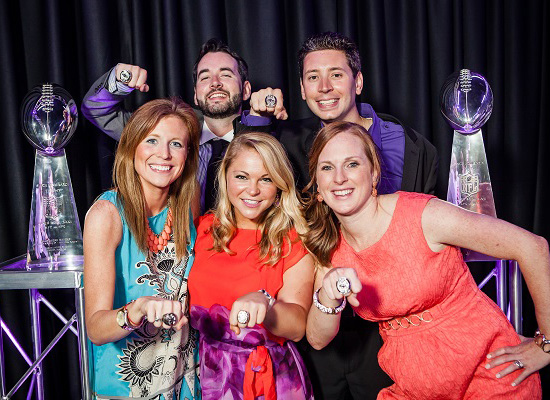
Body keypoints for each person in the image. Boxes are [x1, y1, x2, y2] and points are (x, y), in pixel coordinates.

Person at [304, 121, 548, 399]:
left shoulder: (422, 215)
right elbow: (317, 338)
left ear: (373, 175)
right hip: (414, 390)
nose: (339, 178)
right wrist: (328, 296)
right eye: (327, 168)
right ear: (318, 188)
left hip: (492, 380)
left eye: (352, 164)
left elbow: (532, 247)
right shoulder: (331, 248)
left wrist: (546, 345)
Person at [258, 31, 438, 399]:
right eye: (313, 78)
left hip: (391, 327)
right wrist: (256, 119)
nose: (324, 87)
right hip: (322, 323)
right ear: (302, 90)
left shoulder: (410, 146)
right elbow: (243, 175)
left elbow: (426, 235)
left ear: (358, 81)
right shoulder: (290, 145)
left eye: (336, 74)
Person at [81, 38, 286, 213]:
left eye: (225, 74)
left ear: (246, 90)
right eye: (205, 77)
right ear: (196, 95)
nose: (215, 83)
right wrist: (118, 80)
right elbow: (96, 110)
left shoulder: (267, 131)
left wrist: (260, 119)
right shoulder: (167, 130)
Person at [83, 98, 201, 399]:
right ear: (131, 147)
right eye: (152, 141)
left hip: (186, 382)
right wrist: (137, 310)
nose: (164, 154)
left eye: (176, 143)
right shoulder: (106, 215)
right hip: (128, 387)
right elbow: (96, 328)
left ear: (188, 154)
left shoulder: (188, 200)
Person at [188, 133, 315, 399]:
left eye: (266, 179)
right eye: (242, 176)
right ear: (225, 177)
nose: (253, 190)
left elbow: (298, 326)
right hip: (202, 373)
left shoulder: (292, 240)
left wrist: (266, 304)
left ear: (279, 184)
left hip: (267, 380)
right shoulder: (202, 230)